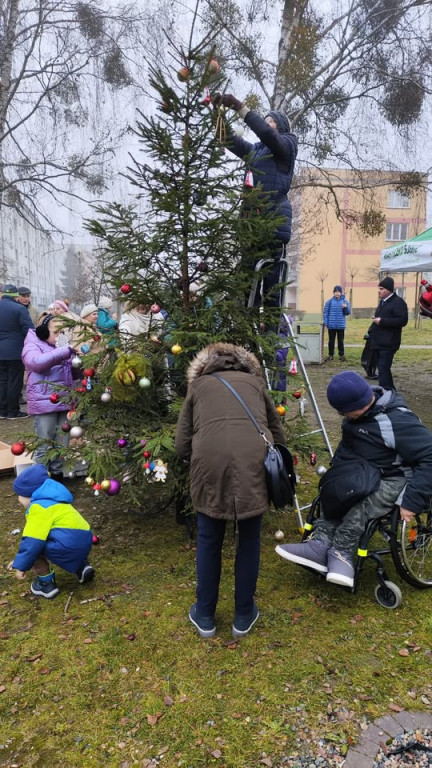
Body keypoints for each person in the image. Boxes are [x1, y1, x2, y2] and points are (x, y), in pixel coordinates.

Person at [275, 371, 432, 588]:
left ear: (352, 407)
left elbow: (429, 456)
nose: (342, 415)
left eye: (343, 411)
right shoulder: (354, 418)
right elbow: (347, 449)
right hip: (363, 472)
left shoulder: (397, 421)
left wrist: (412, 500)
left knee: (361, 503)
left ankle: (342, 552)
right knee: (336, 492)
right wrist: (335, 477)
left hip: (396, 476)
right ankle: (319, 545)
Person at [175, 342, 286, 639]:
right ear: (246, 364)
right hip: (254, 462)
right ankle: (243, 615)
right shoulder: (256, 384)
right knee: (249, 539)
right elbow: (277, 433)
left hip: (209, 465)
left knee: (209, 539)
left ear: (204, 365)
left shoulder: (198, 387)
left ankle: (205, 615)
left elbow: (181, 445)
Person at [212, 93, 297, 308]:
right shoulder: (256, 151)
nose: (267, 124)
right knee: (248, 282)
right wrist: (217, 113)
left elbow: (268, 135)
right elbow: (228, 139)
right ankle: (248, 321)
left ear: (281, 127)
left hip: (274, 223)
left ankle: (271, 325)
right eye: (266, 120)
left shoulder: (287, 144)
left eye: (271, 121)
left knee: (272, 284)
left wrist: (239, 107)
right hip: (252, 224)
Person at [8, 464, 95, 599]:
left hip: (67, 546)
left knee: (36, 547)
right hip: (86, 540)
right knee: (64, 536)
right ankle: (82, 567)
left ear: (29, 495)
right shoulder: (57, 499)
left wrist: (21, 565)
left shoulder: (38, 508)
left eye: (20, 495)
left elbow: (32, 542)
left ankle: (46, 584)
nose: (19, 499)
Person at [22, 314, 76, 480]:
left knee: (62, 441)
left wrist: (78, 361)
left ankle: (57, 475)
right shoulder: (32, 344)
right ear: (43, 332)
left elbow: (72, 371)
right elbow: (35, 362)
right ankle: (40, 478)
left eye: (62, 332)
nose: (60, 336)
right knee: (45, 441)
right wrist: (64, 352)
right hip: (44, 402)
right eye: (56, 332)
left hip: (64, 400)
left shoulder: (62, 345)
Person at [0, 283, 33, 419]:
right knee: (14, 381)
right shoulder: (19, 309)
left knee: (2, 380)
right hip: (15, 351)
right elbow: (29, 330)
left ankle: (2, 411)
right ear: (15, 296)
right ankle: (13, 411)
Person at [368, 276, 408, 390]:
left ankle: (385, 391)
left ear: (389, 290)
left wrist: (382, 321)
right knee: (383, 369)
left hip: (389, 343)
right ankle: (390, 390)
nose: (379, 291)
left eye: (381, 289)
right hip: (379, 342)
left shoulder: (398, 302)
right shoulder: (383, 302)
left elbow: (402, 321)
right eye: (379, 289)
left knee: (383, 369)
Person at [323, 285, 351, 361]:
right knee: (331, 341)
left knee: (340, 341)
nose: (337, 293)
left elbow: (347, 313)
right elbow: (325, 313)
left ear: (341, 293)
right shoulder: (329, 302)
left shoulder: (345, 301)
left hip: (341, 325)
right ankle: (331, 355)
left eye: (338, 292)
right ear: (333, 293)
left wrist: (345, 307)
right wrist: (326, 323)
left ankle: (341, 355)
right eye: (335, 292)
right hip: (331, 325)